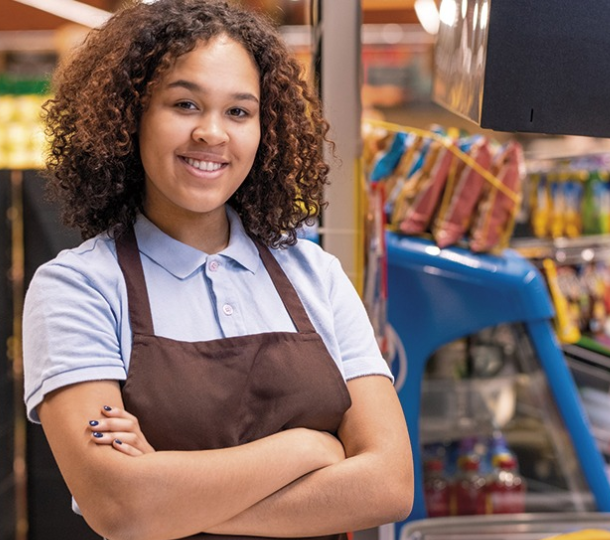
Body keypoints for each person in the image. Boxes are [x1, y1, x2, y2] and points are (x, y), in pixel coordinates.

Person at [23, 1, 413, 538]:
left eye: (238, 111)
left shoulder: (314, 274)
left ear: (265, 128)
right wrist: (310, 447)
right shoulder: (78, 288)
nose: (212, 133)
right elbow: (117, 505)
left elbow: (389, 485)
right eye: (185, 104)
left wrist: (167, 500)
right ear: (130, 115)